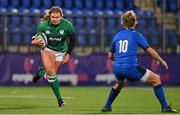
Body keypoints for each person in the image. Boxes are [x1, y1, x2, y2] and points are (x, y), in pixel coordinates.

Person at [101, 10, 177, 113]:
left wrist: (120, 60)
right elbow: (149, 50)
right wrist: (161, 60)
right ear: (134, 22)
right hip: (130, 68)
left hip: (117, 68)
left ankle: (107, 105)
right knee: (156, 79)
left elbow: (110, 56)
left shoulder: (117, 35)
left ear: (123, 22)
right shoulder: (136, 35)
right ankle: (165, 107)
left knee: (120, 83)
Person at [31, 6, 76, 108]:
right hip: (48, 50)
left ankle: (41, 73)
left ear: (61, 17)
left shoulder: (68, 25)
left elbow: (73, 41)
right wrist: (34, 42)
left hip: (61, 51)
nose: (55, 19)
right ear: (50, 17)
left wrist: (68, 54)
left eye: (57, 17)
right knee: (51, 74)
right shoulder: (43, 26)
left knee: (51, 75)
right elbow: (36, 38)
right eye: (53, 17)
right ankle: (60, 100)